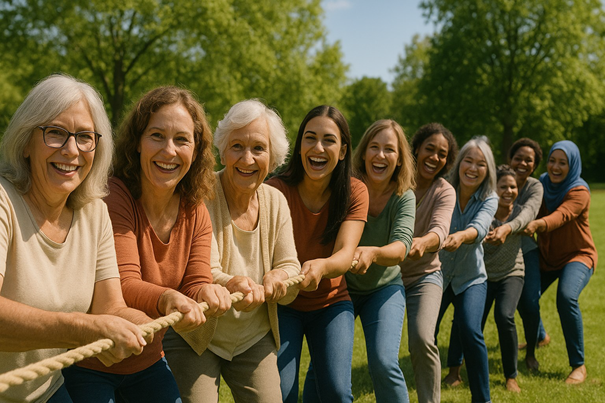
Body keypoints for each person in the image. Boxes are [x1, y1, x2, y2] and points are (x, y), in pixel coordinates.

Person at [62, 86, 232, 402]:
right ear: (137, 143)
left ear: (196, 150)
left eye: (182, 140)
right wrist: (170, 298)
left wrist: (206, 291)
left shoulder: (195, 211)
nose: (169, 151)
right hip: (91, 362)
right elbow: (124, 285)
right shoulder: (114, 197)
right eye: (157, 135)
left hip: (150, 360)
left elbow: (195, 283)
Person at [0, 74, 148, 403]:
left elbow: (110, 307)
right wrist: (81, 328)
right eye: (55, 133)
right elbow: (87, 324)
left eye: (85, 137)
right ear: (25, 141)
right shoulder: (3, 201)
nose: (71, 150)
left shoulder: (94, 212)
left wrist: (160, 315)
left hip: (46, 390)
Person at [162, 99, 301, 403]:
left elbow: (292, 268)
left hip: (253, 338)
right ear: (223, 150)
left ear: (273, 156)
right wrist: (233, 283)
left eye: (258, 149)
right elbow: (203, 273)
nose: (247, 158)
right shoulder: (201, 193)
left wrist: (280, 276)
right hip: (196, 335)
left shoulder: (276, 201)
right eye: (237, 146)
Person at [267, 105, 369, 403]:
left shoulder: (355, 191)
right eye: (310, 138)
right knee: (282, 394)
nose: (318, 148)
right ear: (299, 147)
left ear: (342, 151)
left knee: (337, 392)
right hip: (284, 304)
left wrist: (322, 267)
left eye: (329, 140)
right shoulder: (275, 190)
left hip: (331, 303)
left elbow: (344, 255)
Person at [345, 119, 416, 402]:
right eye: (374, 147)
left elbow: (401, 248)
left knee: (384, 362)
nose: (381, 155)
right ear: (363, 153)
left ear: (399, 159)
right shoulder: (347, 188)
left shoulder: (403, 196)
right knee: (326, 363)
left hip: (383, 290)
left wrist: (372, 252)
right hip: (342, 288)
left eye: (390, 149)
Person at [523, 140, 597, 384]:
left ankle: (579, 366)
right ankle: (541, 335)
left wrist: (537, 224)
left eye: (562, 163)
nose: (555, 167)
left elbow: (561, 216)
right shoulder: (541, 183)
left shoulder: (579, 191)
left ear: (572, 165)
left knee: (566, 297)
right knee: (523, 294)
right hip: (547, 256)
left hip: (578, 256)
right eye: (552, 161)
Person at [436, 136, 498, 403]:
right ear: (459, 163)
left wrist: (461, 236)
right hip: (435, 274)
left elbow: (482, 226)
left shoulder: (490, 197)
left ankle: (482, 399)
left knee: (471, 330)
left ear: (488, 170)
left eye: (481, 164)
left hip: (471, 278)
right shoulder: (442, 189)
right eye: (468, 161)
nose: (473, 168)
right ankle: (429, 390)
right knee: (424, 334)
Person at [400, 123, 457, 403]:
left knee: (423, 339)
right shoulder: (396, 181)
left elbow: (440, 229)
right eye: (430, 150)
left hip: (425, 277)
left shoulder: (444, 190)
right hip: (386, 277)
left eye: (442, 154)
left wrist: (423, 242)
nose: (435, 158)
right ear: (417, 149)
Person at [486, 138, 545, 371]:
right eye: (518, 158)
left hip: (524, 248)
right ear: (510, 159)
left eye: (528, 160)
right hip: (493, 249)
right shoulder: (496, 181)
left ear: (534, 165)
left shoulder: (534, 186)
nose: (522, 163)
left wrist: (508, 228)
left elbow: (530, 212)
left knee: (529, 302)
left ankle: (531, 352)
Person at [481, 165, 525, 392]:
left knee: (505, 316)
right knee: (470, 322)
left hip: (511, 273)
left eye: (513, 186)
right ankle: (456, 369)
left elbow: (529, 219)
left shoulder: (520, 213)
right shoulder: (484, 213)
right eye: (503, 186)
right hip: (484, 276)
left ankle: (511, 376)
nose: (509, 190)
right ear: (493, 189)